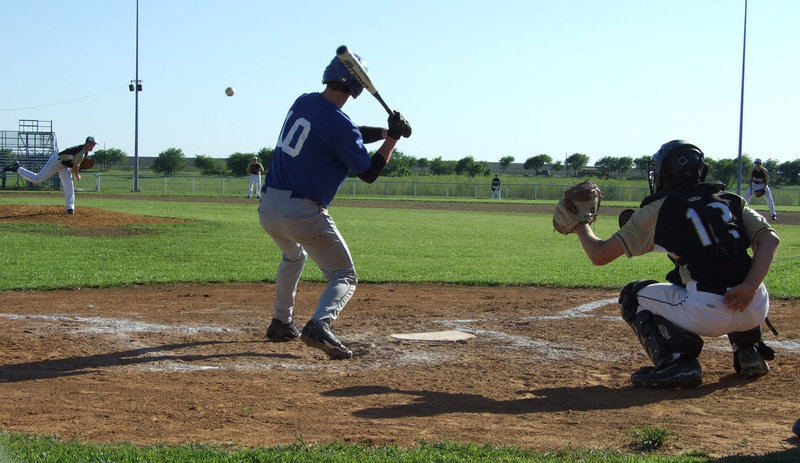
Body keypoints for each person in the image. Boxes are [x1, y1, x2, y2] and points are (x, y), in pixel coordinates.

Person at [571, 140, 780, 388]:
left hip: (707, 310)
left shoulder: (658, 209)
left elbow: (600, 254)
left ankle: (677, 361)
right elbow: (770, 240)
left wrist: (580, 226)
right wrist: (749, 286)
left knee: (632, 296)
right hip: (755, 304)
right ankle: (749, 350)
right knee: (731, 267)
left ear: (667, 173)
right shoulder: (730, 200)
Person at [258, 51, 411, 359]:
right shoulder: (340, 125)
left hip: (268, 206)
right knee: (344, 274)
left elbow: (347, 132)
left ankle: (281, 322)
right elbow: (368, 173)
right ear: (355, 88)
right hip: (301, 211)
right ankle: (320, 324)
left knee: (293, 256)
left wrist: (384, 132)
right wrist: (392, 140)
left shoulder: (304, 101)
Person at [3, 136, 97, 214]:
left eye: (94, 145)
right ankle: (17, 168)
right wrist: (77, 176)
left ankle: (70, 208)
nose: (93, 146)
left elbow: (73, 163)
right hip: (56, 161)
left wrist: (75, 169)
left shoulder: (84, 151)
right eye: (91, 144)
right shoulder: (81, 152)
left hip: (64, 165)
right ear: (87, 143)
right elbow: (75, 167)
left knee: (69, 185)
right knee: (38, 178)